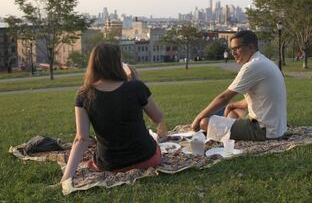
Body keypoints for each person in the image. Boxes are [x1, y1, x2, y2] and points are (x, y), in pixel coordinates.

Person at [61, 43, 167, 183]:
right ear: (118, 63)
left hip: (110, 165)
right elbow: (158, 118)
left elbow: (81, 139)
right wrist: (138, 83)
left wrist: (66, 178)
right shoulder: (136, 87)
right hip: (147, 159)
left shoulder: (84, 94)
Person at [191, 30, 287, 141]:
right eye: (232, 49)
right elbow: (257, 99)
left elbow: (224, 98)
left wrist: (198, 118)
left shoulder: (252, 66)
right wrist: (232, 106)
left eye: (237, 48)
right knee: (233, 111)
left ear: (251, 47)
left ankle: (226, 132)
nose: (233, 53)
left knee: (205, 122)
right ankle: (229, 130)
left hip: (263, 131)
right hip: (277, 127)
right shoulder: (265, 61)